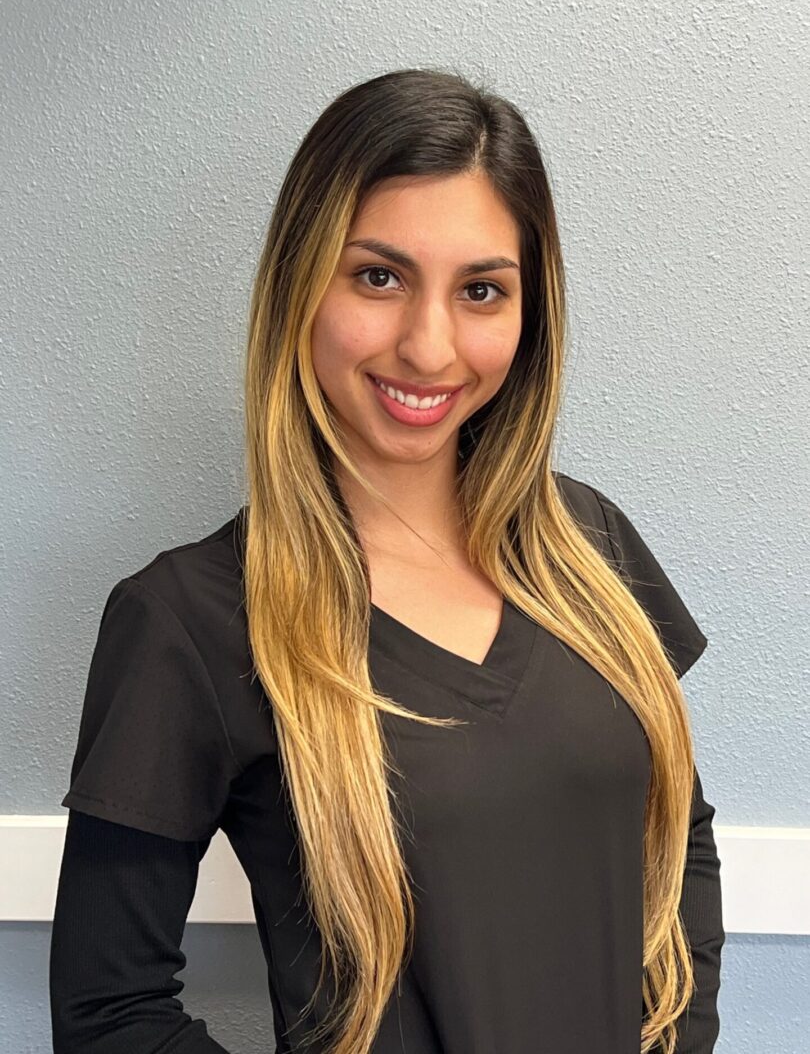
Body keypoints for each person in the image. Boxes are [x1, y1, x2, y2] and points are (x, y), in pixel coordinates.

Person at [50, 67, 724, 1054]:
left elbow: (680, 837)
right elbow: (109, 1013)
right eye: (379, 276)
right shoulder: (189, 624)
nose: (428, 344)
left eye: (481, 291)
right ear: (299, 284)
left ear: (529, 314)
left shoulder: (594, 548)